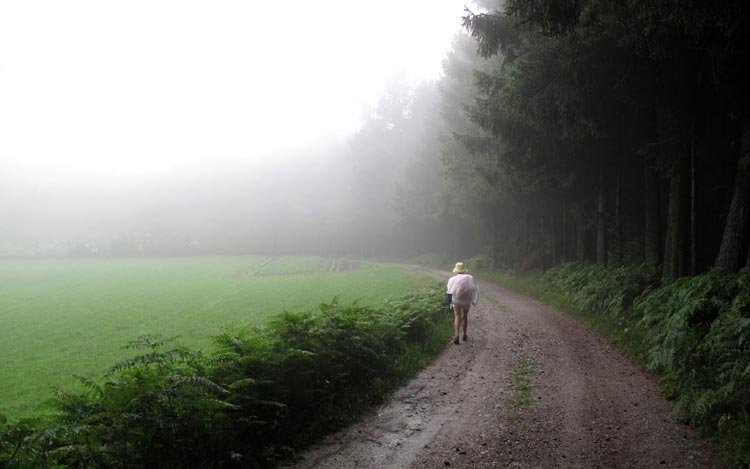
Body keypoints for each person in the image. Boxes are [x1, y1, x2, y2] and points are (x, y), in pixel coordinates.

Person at [446, 262, 479, 345]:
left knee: (457, 316)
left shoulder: (452, 279)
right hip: (466, 300)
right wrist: (473, 300)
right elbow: (474, 288)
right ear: (464, 270)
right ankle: (464, 335)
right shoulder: (469, 277)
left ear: (456, 270)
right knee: (465, 316)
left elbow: (449, 292)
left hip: (456, 300)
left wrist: (449, 302)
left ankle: (456, 336)